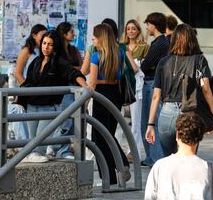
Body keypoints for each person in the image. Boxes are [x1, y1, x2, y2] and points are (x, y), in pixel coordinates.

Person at [145, 24, 213, 156]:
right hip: (190, 112)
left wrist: (150, 124)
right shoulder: (199, 60)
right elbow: (206, 89)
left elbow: (156, 96)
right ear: (192, 40)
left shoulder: (163, 62)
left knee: (169, 159)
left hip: (167, 112)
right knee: (189, 158)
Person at [22, 30, 88, 163]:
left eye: (50, 44)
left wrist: (85, 86)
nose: (46, 47)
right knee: (32, 140)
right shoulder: (36, 61)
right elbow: (28, 82)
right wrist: (20, 99)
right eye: (44, 43)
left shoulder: (60, 62)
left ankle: (39, 156)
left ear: (55, 46)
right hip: (32, 105)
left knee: (41, 141)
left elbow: (73, 73)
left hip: (49, 107)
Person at [89, 23, 130, 184]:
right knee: (109, 134)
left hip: (101, 95)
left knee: (98, 137)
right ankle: (122, 165)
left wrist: (84, 103)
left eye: (94, 37)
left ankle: (109, 177)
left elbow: (92, 83)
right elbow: (119, 77)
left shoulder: (96, 55)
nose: (93, 40)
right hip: (116, 95)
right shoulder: (119, 53)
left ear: (100, 38)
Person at [47, 22, 83, 159]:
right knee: (65, 121)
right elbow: (65, 69)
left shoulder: (73, 50)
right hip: (63, 89)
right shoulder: (58, 51)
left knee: (72, 121)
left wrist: (73, 70)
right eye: (71, 31)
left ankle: (62, 148)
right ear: (64, 34)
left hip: (75, 88)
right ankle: (57, 147)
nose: (73, 33)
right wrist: (73, 69)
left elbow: (81, 68)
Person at [140, 12, 169, 167]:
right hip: (156, 83)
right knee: (150, 122)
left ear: (154, 25)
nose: (147, 27)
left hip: (152, 84)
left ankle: (155, 159)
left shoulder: (159, 43)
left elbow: (145, 66)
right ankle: (151, 157)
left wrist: (145, 61)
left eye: (148, 24)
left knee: (150, 122)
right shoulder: (164, 42)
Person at [121, 19, 150, 161]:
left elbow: (141, 68)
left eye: (133, 28)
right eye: (128, 29)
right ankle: (121, 149)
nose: (130, 31)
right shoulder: (121, 46)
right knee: (119, 120)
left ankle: (135, 151)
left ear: (138, 30)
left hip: (136, 87)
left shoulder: (144, 47)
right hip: (121, 85)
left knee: (136, 121)